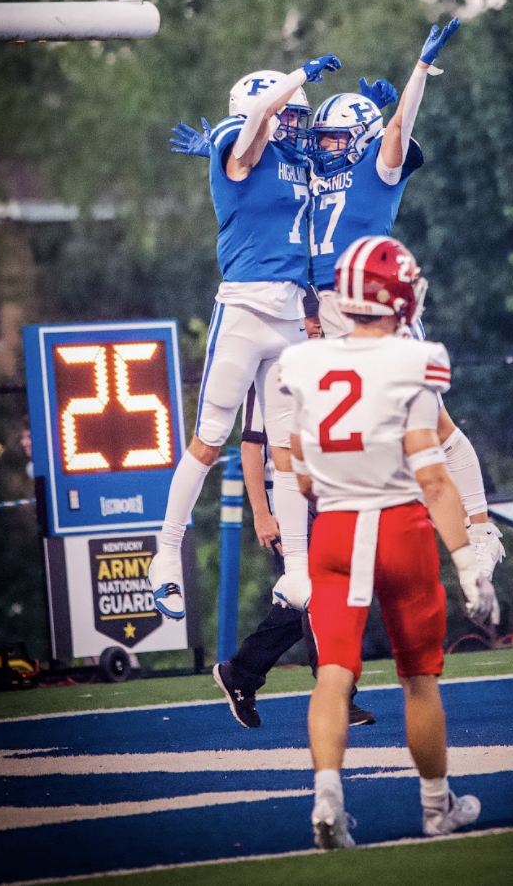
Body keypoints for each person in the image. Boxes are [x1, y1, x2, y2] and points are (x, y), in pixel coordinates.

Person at [279, 235, 495, 849]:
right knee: (419, 678)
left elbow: (295, 470)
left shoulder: (304, 362)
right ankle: (435, 808)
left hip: (335, 532)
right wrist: (469, 561)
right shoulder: (415, 362)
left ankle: (326, 796)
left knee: (333, 675)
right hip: (400, 529)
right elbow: (433, 476)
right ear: (399, 297)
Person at [305, 19, 505, 603]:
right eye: (324, 138)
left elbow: (399, 128)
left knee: (432, 427)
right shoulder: (321, 180)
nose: (325, 146)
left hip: (374, 309)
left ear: (362, 139)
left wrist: (418, 72)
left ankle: (478, 530)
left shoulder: (377, 168)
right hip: (328, 316)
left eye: (336, 138)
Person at [148, 55, 341, 619]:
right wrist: (298, 77)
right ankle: (164, 555)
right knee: (209, 441)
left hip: (289, 317)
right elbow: (254, 124)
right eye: (292, 114)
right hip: (244, 309)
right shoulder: (242, 143)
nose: (298, 125)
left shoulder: (292, 160)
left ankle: (297, 573)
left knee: (287, 454)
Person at [214, 287, 375, 729]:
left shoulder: (322, 363)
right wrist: (263, 513)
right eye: (311, 321)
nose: (317, 329)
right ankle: (337, 693)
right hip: (289, 499)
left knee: (308, 597)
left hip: (324, 494)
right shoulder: (270, 362)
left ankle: (242, 672)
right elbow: (251, 448)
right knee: (320, 593)